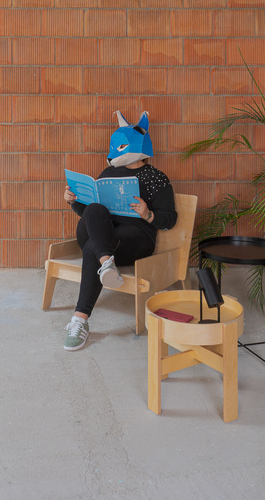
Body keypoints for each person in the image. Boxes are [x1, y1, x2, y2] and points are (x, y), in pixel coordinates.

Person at [62, 110, 177, 351]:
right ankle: (107, 263)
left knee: (93, 247)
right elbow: (91, 216)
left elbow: (170, 219)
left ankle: (79, 320)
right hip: (105, 237)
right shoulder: (108, 174)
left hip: (135, 240)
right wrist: (74, 201)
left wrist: (148, 214)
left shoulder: (156, 178)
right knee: (94, 209)